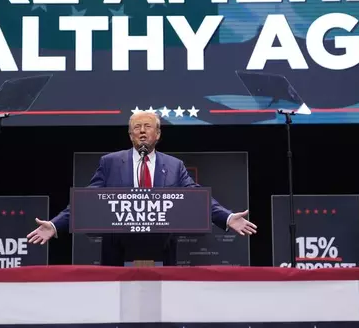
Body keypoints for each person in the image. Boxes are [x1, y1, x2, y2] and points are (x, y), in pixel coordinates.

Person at [27, 111, 257, 264]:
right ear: (130, 135)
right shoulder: (111, 162)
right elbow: (87, 201)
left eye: (148, 126)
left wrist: (227, 218)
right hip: (117, 247)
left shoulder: (174, 166)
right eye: (137, 128)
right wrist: (56, 225)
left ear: (158, 134)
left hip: (161, 246)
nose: (142, 131)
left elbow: (197, 198)